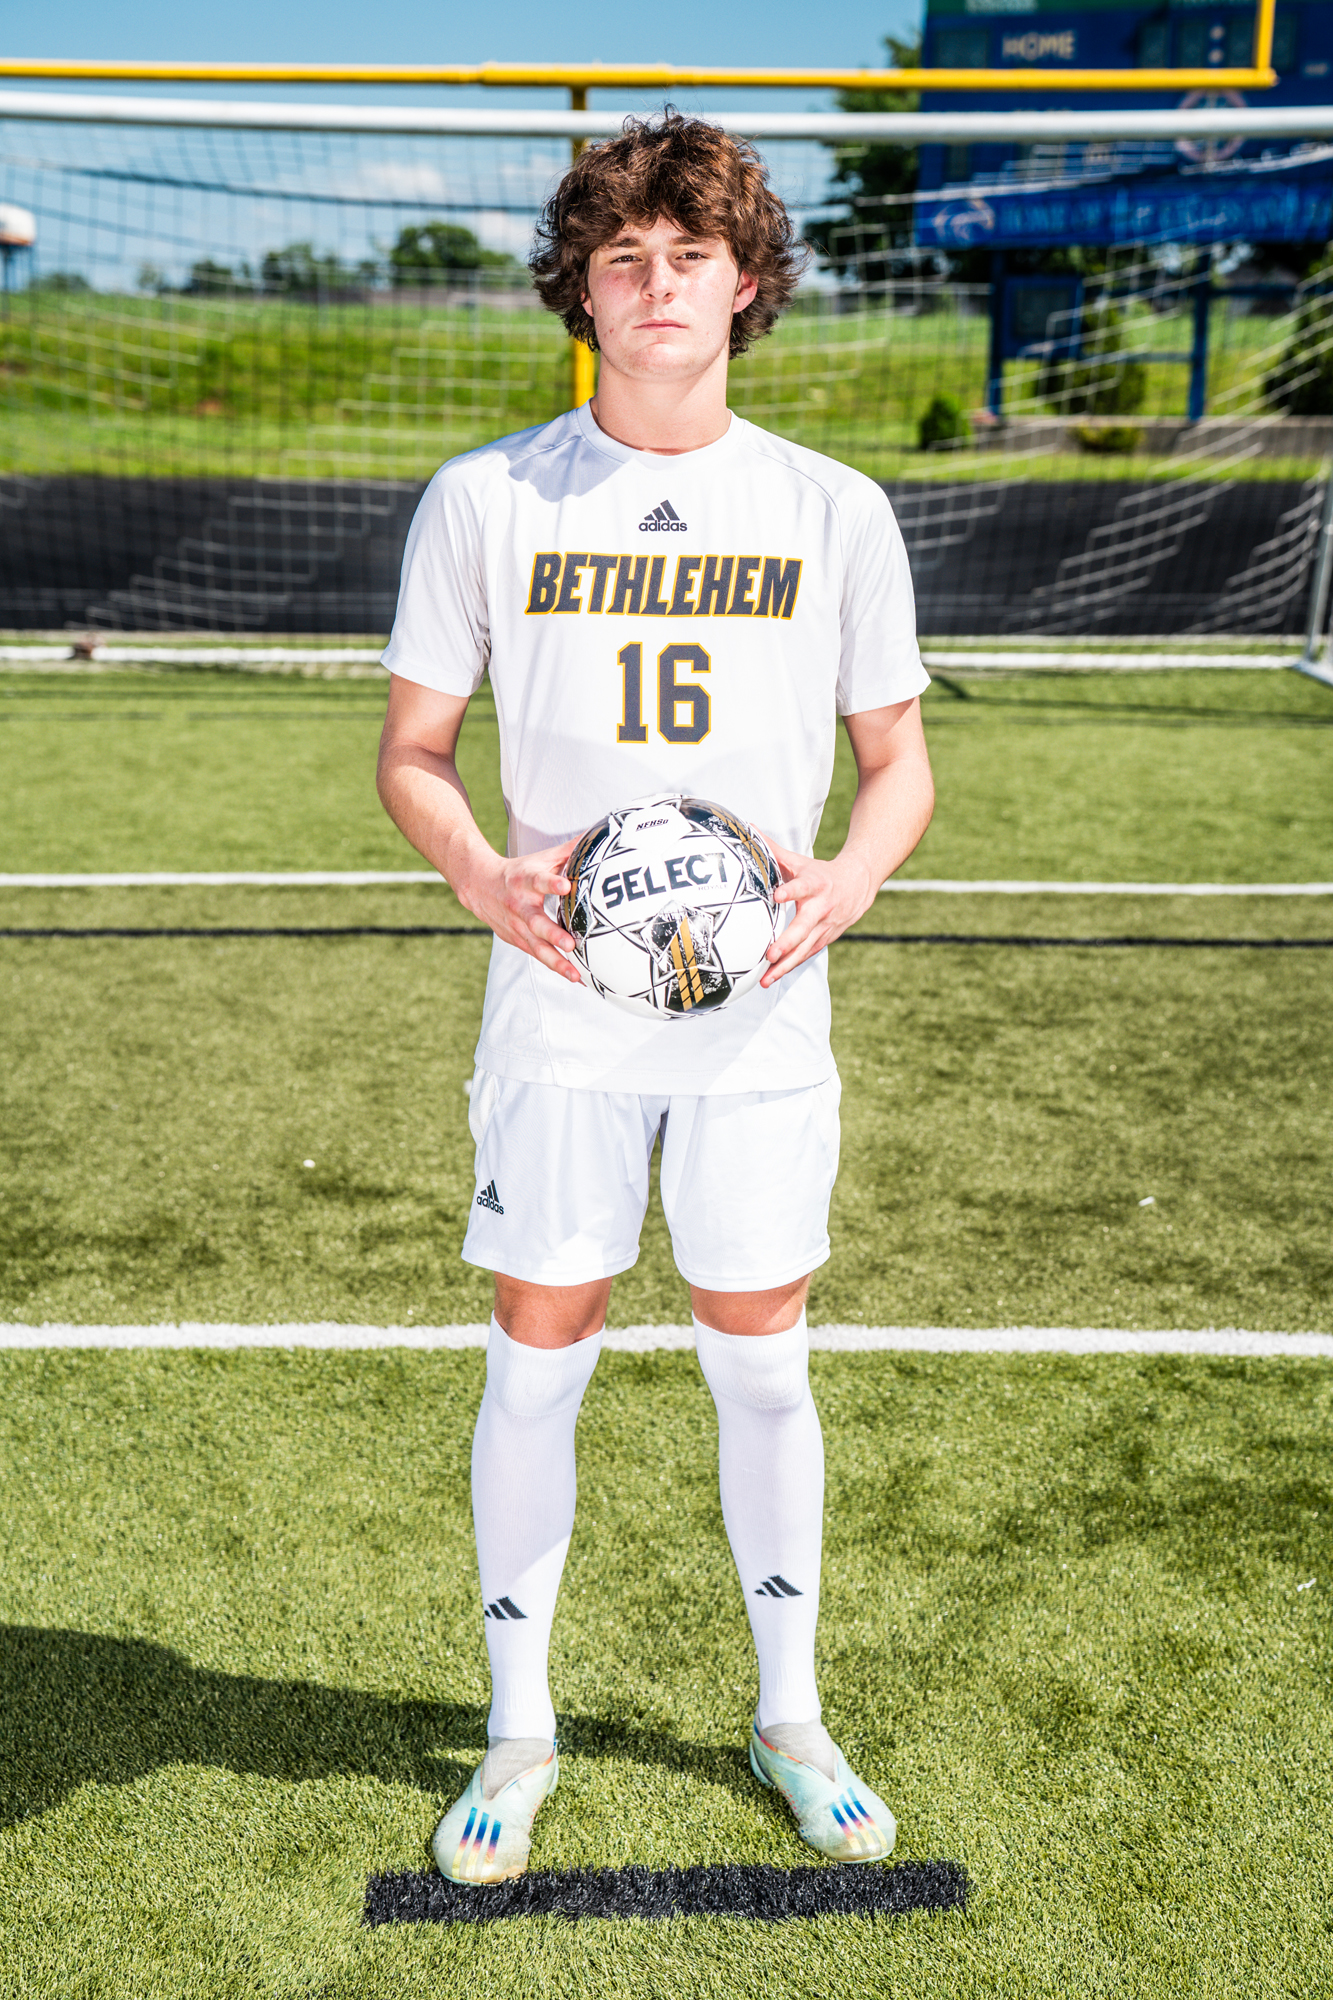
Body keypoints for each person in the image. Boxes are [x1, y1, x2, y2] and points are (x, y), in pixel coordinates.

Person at [376, 111, 935, 1886]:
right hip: (559, 1013)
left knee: (758, 1361)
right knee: (536, 1362)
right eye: (623, 258)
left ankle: (790, 1718)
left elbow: (898, 765)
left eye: (691, 255)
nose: (657, 285)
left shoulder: (830, 508)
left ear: (746, 283)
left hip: (757, 1021)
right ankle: (516, 1729)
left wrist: (850, 878)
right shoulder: (488, 499)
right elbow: (411, 754)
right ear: (583, 291)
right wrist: (484, 874)